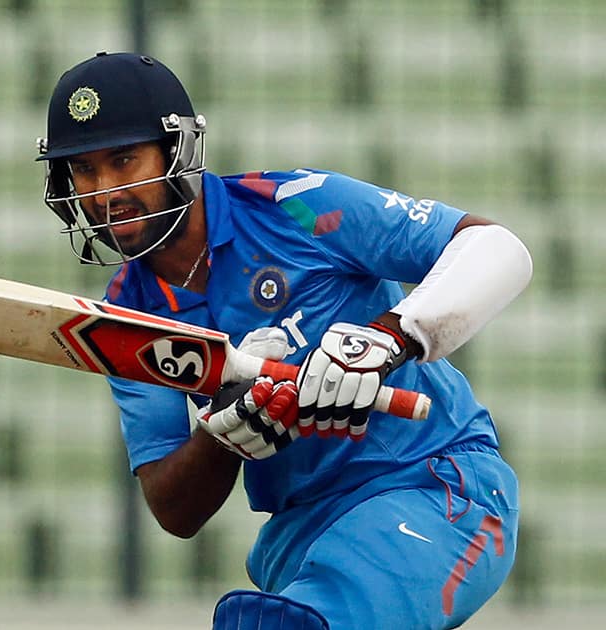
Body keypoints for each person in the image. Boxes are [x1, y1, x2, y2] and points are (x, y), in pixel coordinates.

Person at [36, 51, 532, 630]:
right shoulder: (127, 314)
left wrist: (385, 340)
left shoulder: (297, 207)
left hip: (437, 488)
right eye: (85, 170)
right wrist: (223, 433)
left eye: (124, 160)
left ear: (177, 153)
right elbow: (174, 508)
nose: (105, 192)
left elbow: (498, 250)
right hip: (304, 534)